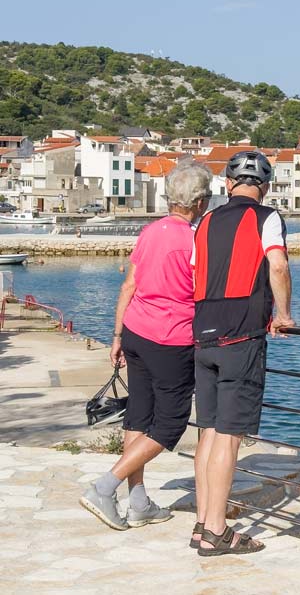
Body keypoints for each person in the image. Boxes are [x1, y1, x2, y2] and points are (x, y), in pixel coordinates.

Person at [80, 162, 213, 531]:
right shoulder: (195, 242)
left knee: (138, 414)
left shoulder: (151, 232)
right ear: (200, 202)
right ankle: (105, 487)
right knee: (169, 426)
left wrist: (118, 336)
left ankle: (138, 502)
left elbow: (129, 286)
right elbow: (204, 294)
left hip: (136, 331)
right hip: (171, 340)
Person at [191, 150, 294, 556]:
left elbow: (197, 272)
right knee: (229, 439)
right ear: (264, 187)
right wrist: (283, 314)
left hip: (203, 336)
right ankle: (217, 532)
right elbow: (278, 266)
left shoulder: (205, 220)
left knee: (209, 433)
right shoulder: (267, 217)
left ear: (227, 184)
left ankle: (202, 523)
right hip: (241, 338)